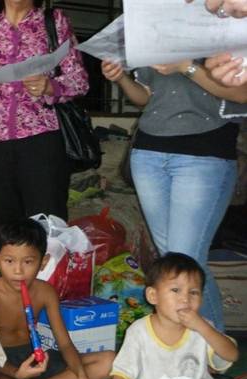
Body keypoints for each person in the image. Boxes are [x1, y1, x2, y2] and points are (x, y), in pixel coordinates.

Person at [101, 59, 245, 332]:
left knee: (185, 261)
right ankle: (188, 346)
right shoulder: (155, 38)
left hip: (204, 152)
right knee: (173, 260)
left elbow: (241, 93)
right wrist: (120, 78)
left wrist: (186, 67)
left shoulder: (223, 36)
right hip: (148, 153)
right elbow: (145, 97)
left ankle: (213, 347)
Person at [0, 0, 88, 226]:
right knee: (6, 225)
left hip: (42, 140)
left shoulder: (54, 21)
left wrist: (50, 86)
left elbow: (80, 80)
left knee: (48, 223)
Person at [0, 220, 114, 379]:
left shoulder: (46, 292)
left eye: (28, 262)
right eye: (9, 261)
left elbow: (64, 344)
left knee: (109, 361)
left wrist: (81, 376)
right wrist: (16, 373)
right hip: (2, 364)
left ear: (43, 262)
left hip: (38, 358)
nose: (18, 270)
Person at [109, 252, 239, 379]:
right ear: (153, 296)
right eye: (176, 290)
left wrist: (203, 327)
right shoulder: (138, 330)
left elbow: (232, 355)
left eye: (193, 292)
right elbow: (124, 369)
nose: (185, 299)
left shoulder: (203, 328)